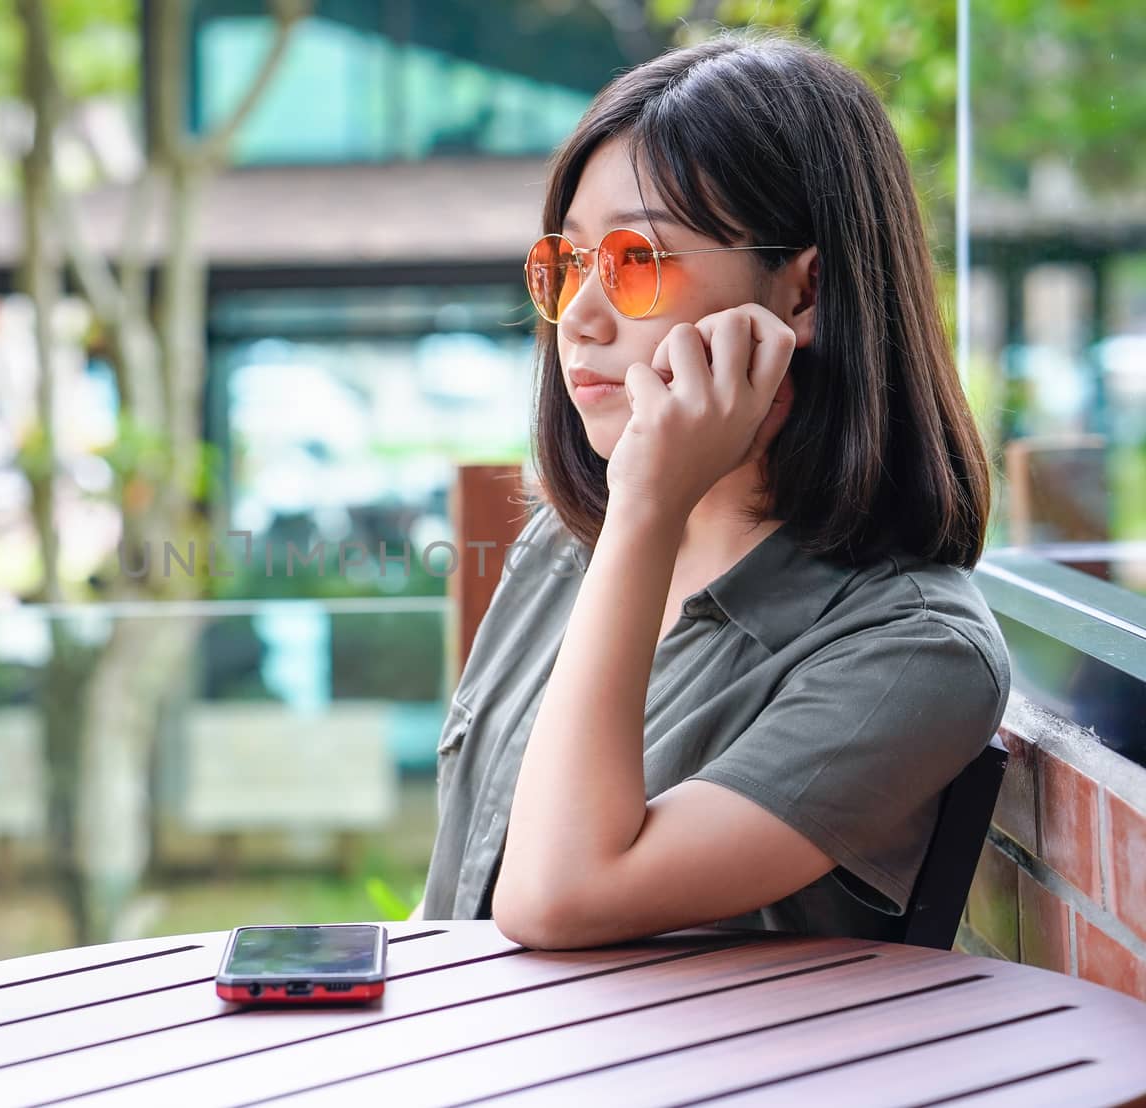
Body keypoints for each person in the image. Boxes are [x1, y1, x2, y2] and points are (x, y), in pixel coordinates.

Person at [411, 30, 1012, 949]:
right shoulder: (563, 548)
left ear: (804, 295)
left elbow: (560, 896)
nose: (581, 315)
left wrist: (647, 505)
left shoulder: (915, 654)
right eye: (570, 264)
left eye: (638, 262)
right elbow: (454, 905)